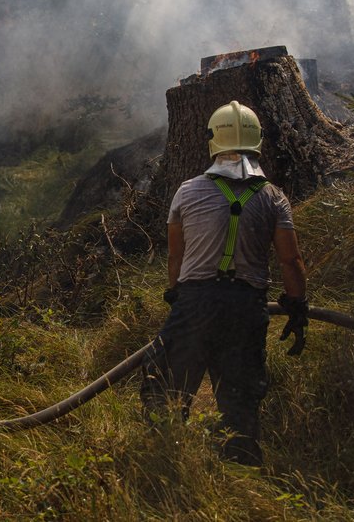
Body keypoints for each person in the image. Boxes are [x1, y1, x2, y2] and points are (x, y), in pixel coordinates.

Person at [140, 100, 309, 466]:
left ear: (213, 140)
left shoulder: (186, 192)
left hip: (195, 303)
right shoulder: (274, 198)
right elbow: (290, 260)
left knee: (166, 387)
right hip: (246, 309)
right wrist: (297, 306)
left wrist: (176, 293)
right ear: (257, 141)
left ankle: (161, 464)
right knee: (240, 400)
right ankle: (241, 470)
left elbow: (175, 257)